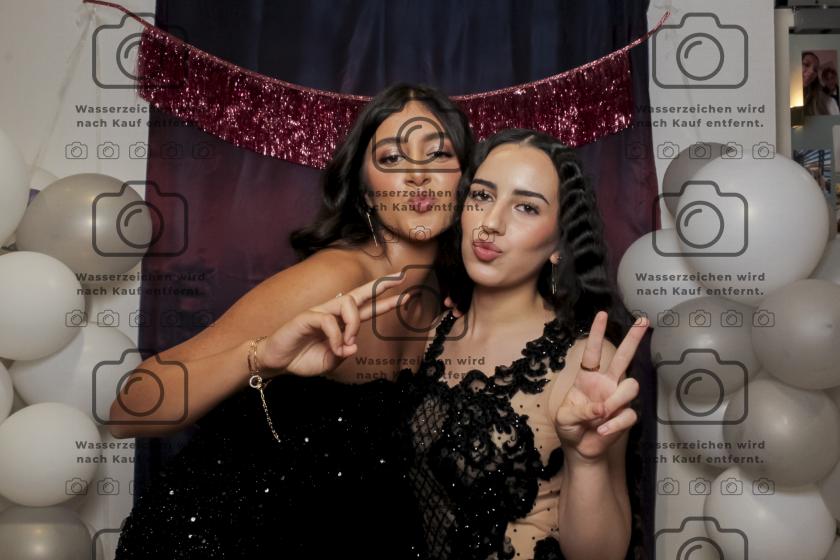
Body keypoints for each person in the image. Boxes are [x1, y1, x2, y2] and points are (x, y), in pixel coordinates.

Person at [112, 82, 474, 558]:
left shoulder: (442, 297)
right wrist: (261, 358)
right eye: (391, 158)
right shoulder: (331, 278)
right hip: (218, 539)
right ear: (365, 194)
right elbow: (130, 409)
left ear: (466, 181)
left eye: (438, 154)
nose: (418, 175)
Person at [392, 129, 650, 559]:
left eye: (526, 207)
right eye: (482, 196)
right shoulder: (433, 332)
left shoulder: (584, 364)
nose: (491, 223)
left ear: (558, 245)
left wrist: (585, 461)